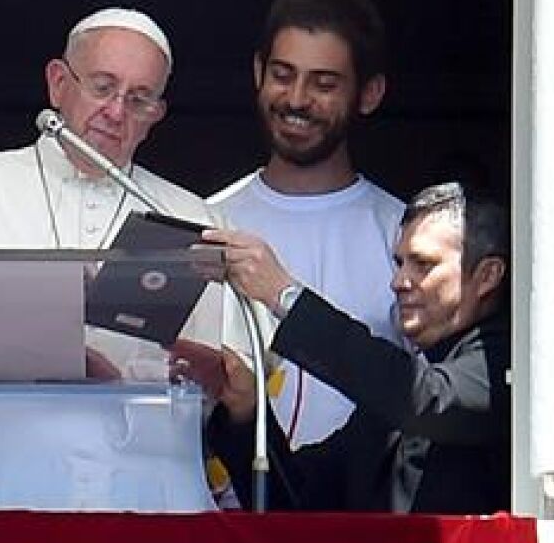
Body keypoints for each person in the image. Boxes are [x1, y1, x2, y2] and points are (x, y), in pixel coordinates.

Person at [0, 7, 220, 374]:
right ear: (58, 83)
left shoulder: (191, 218)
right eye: (103, 88)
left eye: (138, 99)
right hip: (0, 430)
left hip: (141, 432)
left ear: (156, 115)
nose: (116, 112)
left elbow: (215, 369)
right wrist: (48, 341)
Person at [201, 181, 511, 514]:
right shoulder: (393, 399)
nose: (399, 282)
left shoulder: (510, 363)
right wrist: (247, 407)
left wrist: (286, 298)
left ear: (487, 275)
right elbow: (297, 501)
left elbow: (427, 400)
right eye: (399, 263)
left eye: (422, 264)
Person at [209, 0, 404, 448]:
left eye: (324, 83)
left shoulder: (404, 235)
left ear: (370, 93)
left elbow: (429, 396)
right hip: (227, 513)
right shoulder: (209, 222)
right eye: (282, 74)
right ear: (258, 72)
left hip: (368, 515)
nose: (296, 99)